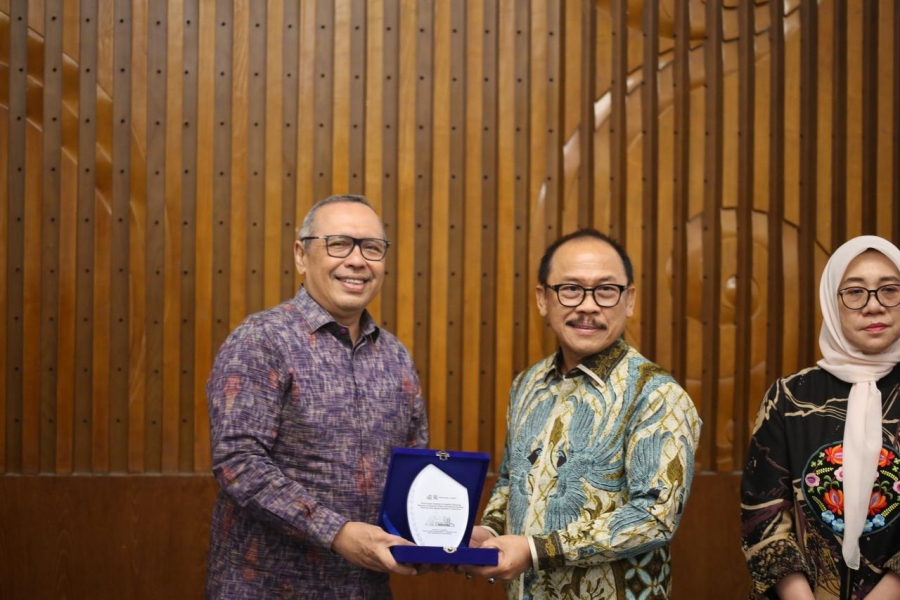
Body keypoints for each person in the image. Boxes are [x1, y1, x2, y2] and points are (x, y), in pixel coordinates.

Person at [205, 194, 429, 599]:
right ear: (301, 255)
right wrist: (336, 532)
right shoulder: (261, 340)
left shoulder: (396, 356)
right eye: (339, 244)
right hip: (267, 588)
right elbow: (239, 463)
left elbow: (414, 466)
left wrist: (442, 531)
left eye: (371, 247)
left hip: (365, 589)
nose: (357, 260)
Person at [461, 228, 701, 599]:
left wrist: (538, 550)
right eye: (571, 289)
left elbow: (655, 516)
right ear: (543, 299)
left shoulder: (656, 395)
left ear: (629, 300)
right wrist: (489, 531)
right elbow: (511, 479)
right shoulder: (528, 384)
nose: (588, 305)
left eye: (606, 290)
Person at [741, 235, 900, 600]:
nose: (874, 306)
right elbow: (761, 515)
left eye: (890, 290)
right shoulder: (789, 397)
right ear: (831, 301)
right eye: (855, 292)